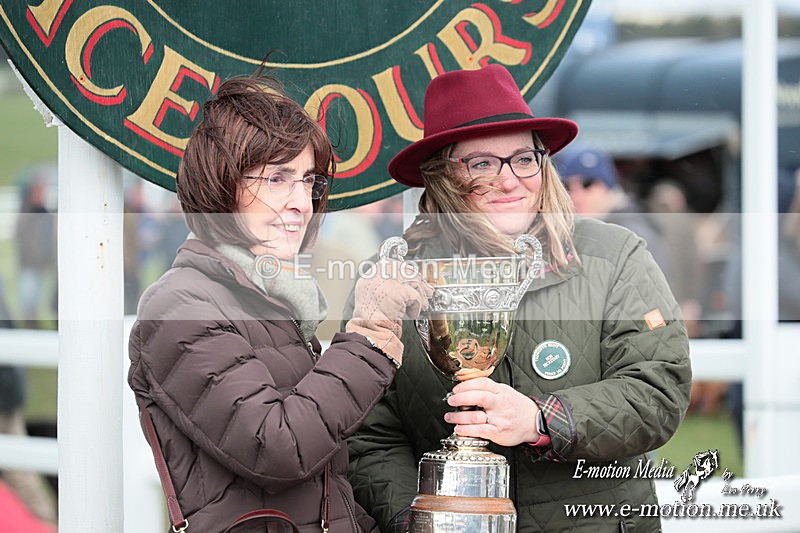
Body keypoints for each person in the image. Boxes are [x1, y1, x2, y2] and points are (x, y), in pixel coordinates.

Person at [345, 64, 692, 531]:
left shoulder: (613, 256)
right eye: (482, 163)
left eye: (524, 158)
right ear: (441, 176)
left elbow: (658, 391)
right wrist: (416, 519)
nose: (510, 180)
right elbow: (369, 435)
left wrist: (541, 419)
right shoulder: (389, 277)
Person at [127, 71, 431, 532]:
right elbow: (279, 447)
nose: (300, 202)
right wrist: (369, 335)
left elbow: (323, 492)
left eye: (307, 181)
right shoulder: (181, 305)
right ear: (220, 184)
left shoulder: (272, 301)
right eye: (276, 179)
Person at [557, 144, 672, 281]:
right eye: (567, 186)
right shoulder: (575, 231)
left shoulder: (633, 232)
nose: (577, 195)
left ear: (608, 185)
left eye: (588, 183)